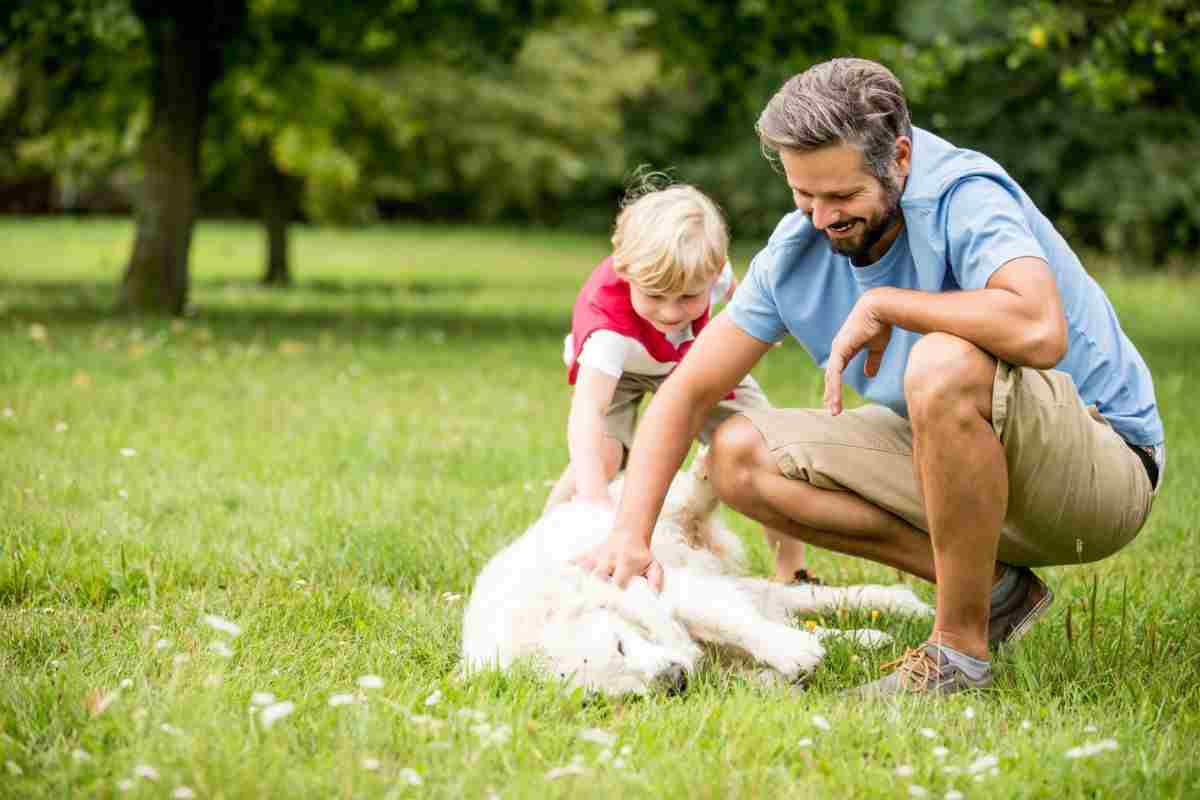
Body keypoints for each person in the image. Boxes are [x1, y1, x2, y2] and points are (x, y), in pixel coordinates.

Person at [576, 58, 1165, 696]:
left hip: (1100, 468)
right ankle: (997, 593)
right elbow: (686, 393)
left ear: (900, 157)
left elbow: (1039, 327)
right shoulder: (797, 247)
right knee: (737, 454)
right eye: (805, 194)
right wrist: (630, 538)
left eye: (842, 196)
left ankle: (957, 659)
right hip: (963, 462)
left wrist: (890, 305)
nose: (822, 217)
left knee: (943, 359)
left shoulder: (963, 195)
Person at [548, 180, 815, 584]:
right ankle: (547, 546)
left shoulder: (711, 270)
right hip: (623, 369)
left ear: (712, 272)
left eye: (690, 297)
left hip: (689, 356)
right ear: (625, 270)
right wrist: (595, 502)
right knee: (599, 457)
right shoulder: (607, 333)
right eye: (655, 295)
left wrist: (765, 328)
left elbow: (743, 300)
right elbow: (587, 415)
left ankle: (793, 571)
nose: (672, 313)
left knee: (768, 448)